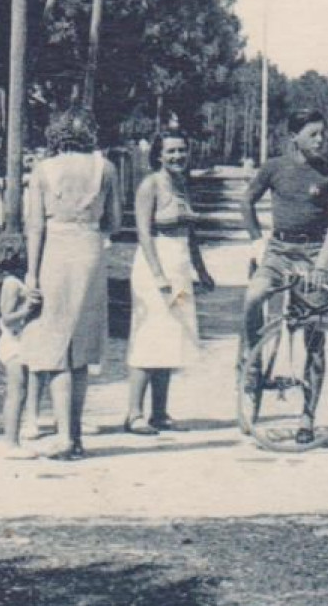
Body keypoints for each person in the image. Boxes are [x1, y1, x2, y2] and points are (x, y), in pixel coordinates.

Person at [16, 108, 120, 460]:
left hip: (54, 254)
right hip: (89, 251)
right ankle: (75, 437)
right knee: (81, 350)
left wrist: (31, 273)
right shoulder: (105, 168)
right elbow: (115, 221)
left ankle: (63, 436)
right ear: (89, 134)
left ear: (54, 135)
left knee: (56, 346)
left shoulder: (44, 170)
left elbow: (34, 226)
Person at [239, 109, 328, 445]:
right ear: (294, 136)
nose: (320, 140)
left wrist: (321, 265)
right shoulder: (274, 167)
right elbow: (247, 201)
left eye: (323, 134)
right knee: (253, 297)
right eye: (313, 134)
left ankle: (307, 417)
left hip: (314, 254)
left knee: (314, 335)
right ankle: (250, 377)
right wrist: (257, 240)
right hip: (278, 252)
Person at [125, 129, 215, 433]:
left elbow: (190, 235)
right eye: (171, 151)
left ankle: (159, 413)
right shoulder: (150, 185)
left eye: (182, 150)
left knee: (171, 339)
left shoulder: (182, 183)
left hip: (179, 268)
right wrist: (159, 275)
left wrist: (201, 271)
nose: (178, 156)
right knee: (151, 336)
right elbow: (144, 233)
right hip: (154, 268)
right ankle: (134, 414)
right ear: (158, 155)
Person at [0, 233, 42, 460]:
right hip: (12, 342)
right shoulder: (12, 284)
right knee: (16, 391)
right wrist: (28, 309)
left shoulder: (23, 281)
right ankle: (10, 442)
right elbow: (6, 317)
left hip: (22, 341)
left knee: (22, 390)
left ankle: (15, 438)